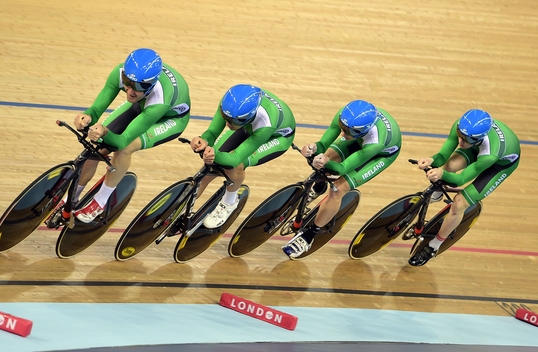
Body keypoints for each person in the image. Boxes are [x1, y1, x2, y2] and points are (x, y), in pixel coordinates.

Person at [55, 48, 191, 223]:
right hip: (143, 104)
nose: (130, 91)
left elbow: (122, 140)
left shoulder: (161, 99)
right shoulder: (122, 75)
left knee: (125, 148)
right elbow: (96, 109)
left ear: (151, 83)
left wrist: (104, 132)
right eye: (127, 82)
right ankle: (71, 198)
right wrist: (87, 116)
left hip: (170, 119)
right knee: (96, 149)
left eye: (139, 86)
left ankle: (100, 202)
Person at [282, 100, 402, 259]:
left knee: (337, 189)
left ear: (360, 131)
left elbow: (343, 168)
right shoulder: (346, 117)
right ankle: (319, 186)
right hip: (360, 139)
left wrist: (327, 163)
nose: (343, 134)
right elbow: (324, 143)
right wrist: (314, 148)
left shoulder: (376, 142)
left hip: (381, 154)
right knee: (324, 158)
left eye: (348, 132)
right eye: (342, 128)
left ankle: (310, 235)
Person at [408, 109, 521, 266]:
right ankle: (439, 191)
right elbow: (442, 156)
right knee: (450, 166)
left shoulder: (490, 154)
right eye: (460, 135)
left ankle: (434, 246)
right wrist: (432, 159)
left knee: (459, 204)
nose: (461, 142)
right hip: (477, 148)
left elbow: (461, 180)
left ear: (478, 138)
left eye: (466, 139)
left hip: (499, 165)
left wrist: (441, 174)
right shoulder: (463, 128)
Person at [190, 84, 296, 228]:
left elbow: (235, 159)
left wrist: (215, 155)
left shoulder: (266, 122)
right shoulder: (230, 106)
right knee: (209, 169)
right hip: (248, 126)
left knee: (235, 166)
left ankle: (229, 202)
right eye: (226, 118)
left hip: (276, 137)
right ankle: (180, 206)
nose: (228, 124)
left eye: (233, 121)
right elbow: (212, 132)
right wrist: (204, 141)